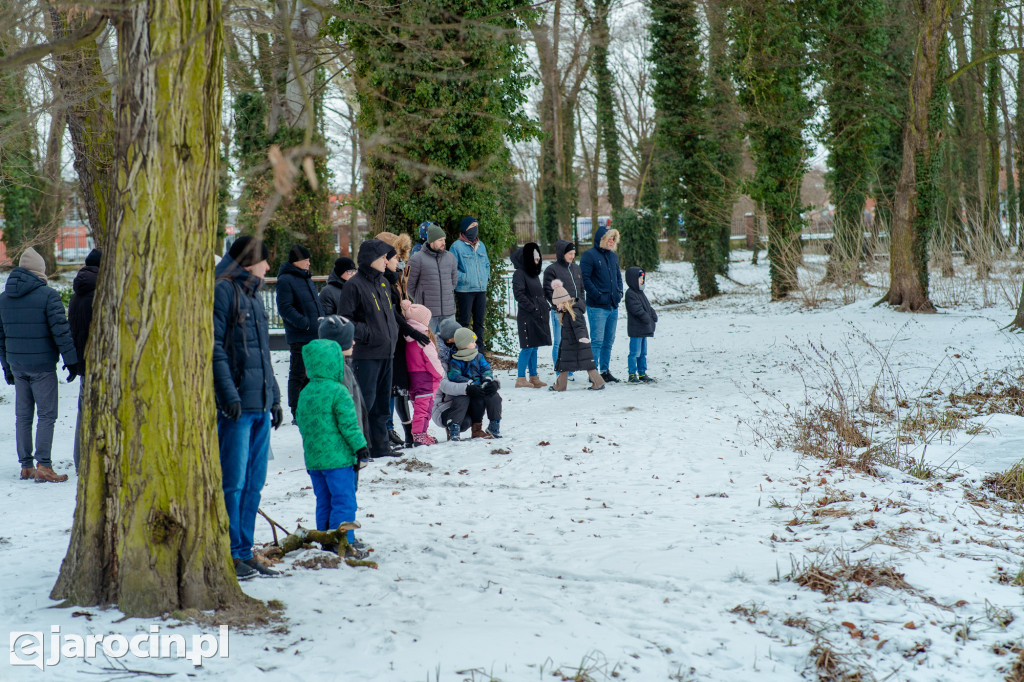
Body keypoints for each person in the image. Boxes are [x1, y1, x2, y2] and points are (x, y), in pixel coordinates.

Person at [213, 236, 284, 580]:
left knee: (254, 482)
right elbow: (214, 348)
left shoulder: (254, 296)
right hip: (236, 407)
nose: (268, 267)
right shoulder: (223, 290)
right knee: (233, 482)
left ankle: (244, 550)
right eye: (265, 260)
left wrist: (275, 397)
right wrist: (228, 396)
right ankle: (229, 551)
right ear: (249, 261)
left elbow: (263, 354)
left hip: (259, 404)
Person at [0, 247, 78, 483]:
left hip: (17, 364)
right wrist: (72, 361)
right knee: (46, 414)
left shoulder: (3, 298)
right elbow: (61, 333)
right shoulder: (49, 296)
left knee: (22, 416)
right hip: (42, 365)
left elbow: (1, 337)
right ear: (39, 271)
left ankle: (26, 466)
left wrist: (7, 368)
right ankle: (43, 465)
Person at [297, 338, 370, 554]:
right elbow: (349, 425)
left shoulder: (305, 392)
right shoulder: (339, 391)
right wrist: (360, 448)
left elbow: (302, 424)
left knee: (324, 501)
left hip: (314, 460)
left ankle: (325, 538)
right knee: (344, 501)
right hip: (339, 459)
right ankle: (343, 541)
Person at [335, 239, 400, 459]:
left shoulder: (382, 282)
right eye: (382, 257)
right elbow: (345, 320)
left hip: (387, 352)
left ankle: (380, 447)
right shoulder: (354, 285)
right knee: (365, 403)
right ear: (370, 260)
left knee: (382, 404)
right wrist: (369, 333)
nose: (386, 261)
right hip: (366, 354)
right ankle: (361, 448)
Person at [375, 231, 430, 448]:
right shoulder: (382, 280)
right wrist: (410, 328)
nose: (400, 260)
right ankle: (389, 429)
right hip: (391, 335)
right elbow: (391, 310)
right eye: (396, 256)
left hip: (399, 334)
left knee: (399, 386)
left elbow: (402, 300)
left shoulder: (394, 274)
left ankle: (403, 431)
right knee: (392, 386)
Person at [276, 244, 324, 424]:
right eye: (306, 259)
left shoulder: (305, 278)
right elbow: (285, 308)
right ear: (297, 261)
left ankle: (310, 406)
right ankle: (297, 410)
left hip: (314, 334)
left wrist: (321, 320)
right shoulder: (286, 280)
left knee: (311, 373)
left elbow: (314, 304)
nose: (309, 262)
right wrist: (305, 324)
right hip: (300, 336)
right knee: (298, 373)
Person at [68, 248, 101, 472]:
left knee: (83, 410)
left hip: (82, 363)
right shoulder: (100, 295)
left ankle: (80, 460)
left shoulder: (76, 295)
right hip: (98, 363)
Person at [580, 224, 623, 383]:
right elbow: (585, 279)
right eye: (609, 238)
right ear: (601, 239)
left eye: (613, 238)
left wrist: (619, 292)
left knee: (608, 341)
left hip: (613, 305)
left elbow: (618, 276)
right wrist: (598, 296)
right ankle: (593, 373)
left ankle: (605, 371)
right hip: (597, 307)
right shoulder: (589, 256)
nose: (611, 241)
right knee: (597, 341)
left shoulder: (613, 256)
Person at [441, 328, 501, 440]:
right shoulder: (455, 360)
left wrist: (487, 380)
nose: (475, 343)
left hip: (481, 386)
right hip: (466, 389)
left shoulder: (478, 356)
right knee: (460, 401)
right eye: (472, 341)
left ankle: (494, 424)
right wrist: (469, 383)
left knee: (494, 397)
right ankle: (454, 428)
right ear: (463, 344)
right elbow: (454, 375)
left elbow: (486, 369)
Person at [318, 314, 369, 446]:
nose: (354, 342)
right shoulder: (340, 371)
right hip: (344, 445)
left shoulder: (323, 367)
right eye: (350, 338)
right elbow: (346, 413)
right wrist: (358, 444)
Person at [549, 280, 605, 392]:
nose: (556, 307)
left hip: (577, 343)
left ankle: (598, 382)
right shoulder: (565, 312)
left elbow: (579, 326)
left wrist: (581, 337)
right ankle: (560, 386)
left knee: (587, 364)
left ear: (563, 301)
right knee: (564, 366)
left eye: (557, 304)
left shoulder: (573, 311)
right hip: (569, 343)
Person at [401, 300, 443, 445]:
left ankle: (420, 432)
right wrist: (440, 374)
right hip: (425, 379)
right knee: (424, 409)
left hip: (412, 378)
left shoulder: (407, 338)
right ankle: (419, 435)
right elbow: (432, 361)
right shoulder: (423, 339)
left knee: (418, 408)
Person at [543, 240, 584, 381]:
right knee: (560, 341)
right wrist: (558, 306)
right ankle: (560, 371)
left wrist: (581, 305)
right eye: (570, 254)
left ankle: (570, 371)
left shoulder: (576, 268)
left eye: (574, 253)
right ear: (562, 253)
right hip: (559, 312)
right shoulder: (552, 270)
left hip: (575, 311)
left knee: (572, 341)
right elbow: (548, 291)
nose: (572, 256)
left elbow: (581, 290)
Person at [406, 222, 458, 334]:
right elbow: (409, 285)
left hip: (448, 312)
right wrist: (422, 298)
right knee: (428, 345)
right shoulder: (417, 259)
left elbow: (453, 282)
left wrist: (446, 293)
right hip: (427, 313)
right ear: (431, 241)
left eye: (444, 239)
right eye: (440, 240)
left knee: (450, 345)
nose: (444, 243)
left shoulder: (450, 258)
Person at [511, 242, 550, 388]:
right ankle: (521, 378)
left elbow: (538, 294)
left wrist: (544, 306)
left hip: (537, 314)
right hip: (527, 315)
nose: (537, 261)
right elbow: (519, 294)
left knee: (535, 346)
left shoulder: (533, 274)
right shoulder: (519, 273)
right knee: (527, 346)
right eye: (534, 259)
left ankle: (533, 377)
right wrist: (533, 308)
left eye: (538, 259)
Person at [450, 216, 490, 349]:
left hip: (480, 290)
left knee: (479, 324)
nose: (475, 228)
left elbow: (487, 265)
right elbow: (452, 269)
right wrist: (465, 277)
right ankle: (463, 352)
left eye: (476, 225)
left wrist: (485, 278)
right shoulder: (456, 246)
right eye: (472, 226)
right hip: (464, 291)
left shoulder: (481, 245)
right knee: (464, 323)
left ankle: (480, 353)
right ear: (465, 228)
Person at [624, 267, 658, 383]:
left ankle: (642, 372)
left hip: (643, 328)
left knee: (643, 353)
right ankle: (632, 374)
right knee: (634, 352)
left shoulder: (641, 293)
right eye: (640, 278)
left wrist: (653, 315)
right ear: (633, 279)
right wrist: (647, 318)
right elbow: (637, 309)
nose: (642, 280)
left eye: (643, 278)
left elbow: (648, 307)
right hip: (636, 329)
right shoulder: (630, 294)